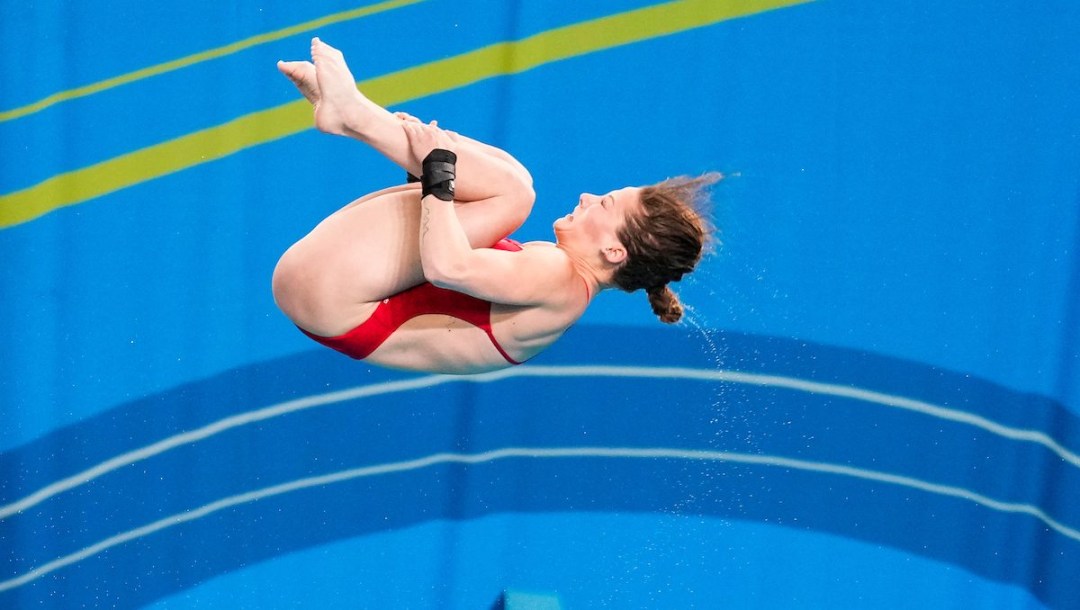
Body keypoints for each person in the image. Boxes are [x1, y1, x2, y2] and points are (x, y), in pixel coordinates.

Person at [272, 38, 719, 374]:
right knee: (506, 181)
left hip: (335, 297)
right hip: (327, 301)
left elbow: (448, 267)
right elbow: (439, 254)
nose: (587, 197)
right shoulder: (558, 284)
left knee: (516, 192)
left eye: (605, 203)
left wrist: (438, 167)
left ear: (615, 252)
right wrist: (431, 165)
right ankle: (354, 117)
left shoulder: (559, 278)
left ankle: (356, 115)